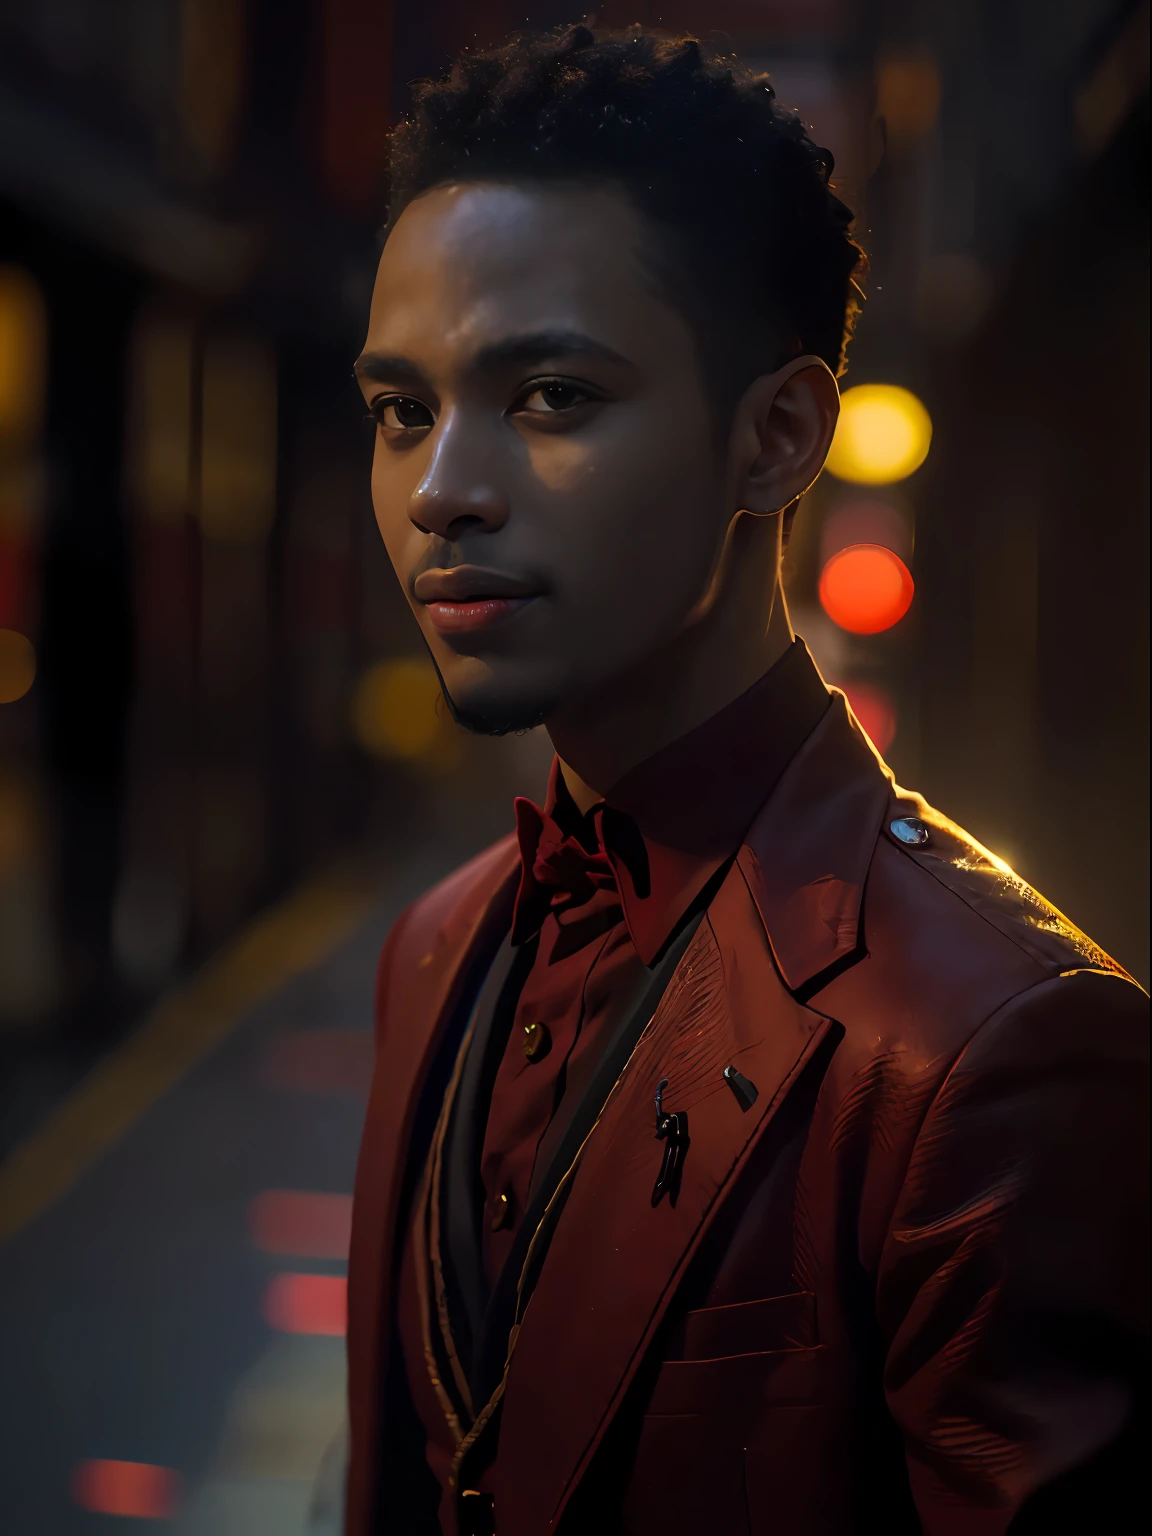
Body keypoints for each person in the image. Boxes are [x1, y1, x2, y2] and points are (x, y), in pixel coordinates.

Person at [345, 23, 1148, 1536]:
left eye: (553, 397)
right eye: (402, 411)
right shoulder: (438, 947)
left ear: (777, 437)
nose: (443, 487)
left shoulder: (993, 1045)